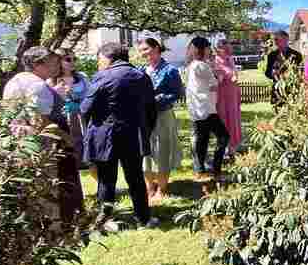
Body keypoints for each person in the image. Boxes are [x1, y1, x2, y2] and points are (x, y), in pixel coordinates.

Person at [80, 42, 159, 230]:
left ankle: (105, 220)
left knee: (107, 179)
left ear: (108, 58)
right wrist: (145, 130)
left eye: (100, 59)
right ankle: (143, 219)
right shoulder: (142, 76)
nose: (99, 63)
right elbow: (151, 110)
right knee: (136, 178)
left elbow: (85, 108)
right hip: (133, 135)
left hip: (106, 135)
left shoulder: (102, 76)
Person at [4, 46, 84, 224]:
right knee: (51, 186)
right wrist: (66, 138)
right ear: (37, 64)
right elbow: (39, 119)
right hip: (45, 144)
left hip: (21, 142)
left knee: (32, 187)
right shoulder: (37, 85)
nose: (56, 67)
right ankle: (58, 226)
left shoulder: (16, 80)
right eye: (52, 63)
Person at [138, 37, 183, 204]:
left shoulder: (170, 70)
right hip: (144, 117)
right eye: (141, 51)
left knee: (163, 150)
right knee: (146, 151)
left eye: (146, 49)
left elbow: (177, 93)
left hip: (162, 116)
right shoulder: (141, 70)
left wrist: (156, 99)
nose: (143, 53)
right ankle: (149, 187)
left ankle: (162, 189)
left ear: (156, 48)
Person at [185, 37, 230, 179]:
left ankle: (200, 170)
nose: (210, 50)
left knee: (201, 139)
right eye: (208, 48)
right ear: (203, 49)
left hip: (196, 107)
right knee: (223, 137)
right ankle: (216, 169)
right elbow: (215, 84)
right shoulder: (201, 66)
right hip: (206, 108)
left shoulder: (192, 65)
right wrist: (219, 75)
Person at [48, 48, 90, 171]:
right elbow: (48, 103)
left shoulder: (82, 77)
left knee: (85, 144)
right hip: (64, 118)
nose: (72, 62)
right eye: (68, 59)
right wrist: (56, 92)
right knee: (68, 145)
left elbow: (90, 96)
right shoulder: (50, 80)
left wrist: (74, 94)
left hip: (81, 117)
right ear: (59, 62)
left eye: (74, 59)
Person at [213, 38, 242, 158]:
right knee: (224, 119)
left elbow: (234, 73)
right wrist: (222, 76)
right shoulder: (215, 61)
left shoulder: (230, 59)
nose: (228, 51)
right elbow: (217, 79)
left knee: (233, 119)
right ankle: (224, 148)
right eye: (225, 49)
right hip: (222, 95)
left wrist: (234, 75)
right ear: (219, 49)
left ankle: (232, 148)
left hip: (233, 93)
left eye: (228, 49)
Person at [264, 30, 303, 106]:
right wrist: (273, 74)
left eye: (277, 39)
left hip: (292, 90)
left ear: (286, 39)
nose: (275, 42)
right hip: (277, 91)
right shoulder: (271, 55)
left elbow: (300, 73)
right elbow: (267, 73)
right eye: (274, 39)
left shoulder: (296, 55)